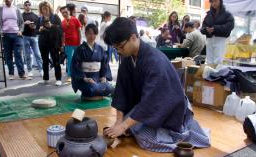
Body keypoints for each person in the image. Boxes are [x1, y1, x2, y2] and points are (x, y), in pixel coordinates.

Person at [103, 17, 210, 152]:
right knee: (126, 126)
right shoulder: (127, 59)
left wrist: (124, 126)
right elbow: (121, 91)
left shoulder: (155, 62)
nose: (118, 51)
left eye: (120, 46)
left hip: (169, 108)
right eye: (115, 48)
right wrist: (119, 122)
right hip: (146, 105)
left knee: (145, 139)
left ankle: (179, 135)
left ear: (133, 37)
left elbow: (152, 100)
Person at [71, 24, 113, 99]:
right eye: (89, 33)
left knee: (109, 88)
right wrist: (84, 78)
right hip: (86, 80)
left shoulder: (100, 49)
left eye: (94, 33)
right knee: (91, 88)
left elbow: (105, 64)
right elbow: (75, 66)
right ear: (85, 34)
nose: (92, 36)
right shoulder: (80, 49)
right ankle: (97, 90)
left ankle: (98, 88)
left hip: (98, 79)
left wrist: (103, 76)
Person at [0, 0, 27, 80]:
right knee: (8, 55)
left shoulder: (17, 9)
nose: (7, 1)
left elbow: (22, 23)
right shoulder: (0, 9)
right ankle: (11, 73)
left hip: (17, 35)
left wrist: (20, 31)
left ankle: (21, 73)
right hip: (5, 35)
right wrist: (0, 31)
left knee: (18, 54)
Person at [38, 1, 64, 86]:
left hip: (53, 42)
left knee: (55, 60)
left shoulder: (55, 17)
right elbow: (36, 30)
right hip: (42, 42)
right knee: (44, 60)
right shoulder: (40, 18)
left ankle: (59, 79)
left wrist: (52, 26)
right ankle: (45, 78)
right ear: (41, 10)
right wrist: (39, 29)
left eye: (46, 8)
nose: (45, 10)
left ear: (49, 8)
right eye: (43, 9)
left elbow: (61, 29)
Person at [201, 0, 234, 64]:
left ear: (220, 1)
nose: (213, 3)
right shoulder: (208, 14)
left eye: (215, 1)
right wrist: (206, 29)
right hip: (209, 39)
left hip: (220, 39)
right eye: (212, 2)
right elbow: (202, 28)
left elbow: (230, 26)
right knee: (209, 60)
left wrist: (215, 28)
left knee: (218, 60)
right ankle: (210, 73)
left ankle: (217, 73)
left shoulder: (227, 14)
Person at [22, 1, 43, 77]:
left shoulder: (35, 16)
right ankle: (29, 70)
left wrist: (34, 27)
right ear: (24, 6)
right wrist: (24, 23)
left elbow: (38, 28)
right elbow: (18, 26)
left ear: (31, 6)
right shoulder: (21, 16)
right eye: (26, 5)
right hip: (25, 36)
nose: (27, 6)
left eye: (29, 5)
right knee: (27, 55)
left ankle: (41, 70)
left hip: (34, 36)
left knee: (37, 54)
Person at [61, 6, 82, 82]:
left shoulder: (75, 19)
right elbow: (63, 35)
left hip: (76, 43)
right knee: (69, 60)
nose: (65, 13)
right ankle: (70, 75)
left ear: (69, 12)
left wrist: (80, 43)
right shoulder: (62, 22)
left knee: (77, 59)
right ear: (61, 14)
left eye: (66, 12)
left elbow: (79, 31)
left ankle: (78, 73)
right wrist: (62, 44)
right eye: (63, 12)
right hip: (67, 44)